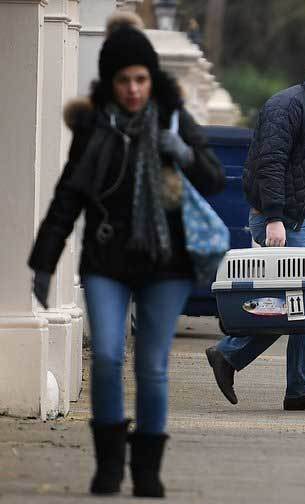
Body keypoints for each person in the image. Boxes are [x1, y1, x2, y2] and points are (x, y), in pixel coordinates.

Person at [27, 13, 224, 497]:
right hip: (107, 259)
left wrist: (180, 150)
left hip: (167, 263)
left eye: (140, 79)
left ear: (151, 78)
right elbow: (68, 195)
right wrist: (44, 260)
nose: (133, 90)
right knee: (109, 355)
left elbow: (215, 178)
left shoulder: (174, 118)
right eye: (123, 80)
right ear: (110, 82)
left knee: (152, 366)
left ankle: (148, 470)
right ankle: (110, 465)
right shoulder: (96, 126)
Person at [205, 52, 305, 411]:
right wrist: (274, 218)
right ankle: (230, 355)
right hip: (286, 222)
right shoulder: (285, 106)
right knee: (292, 308)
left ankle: (299, 386)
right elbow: (269, 163)